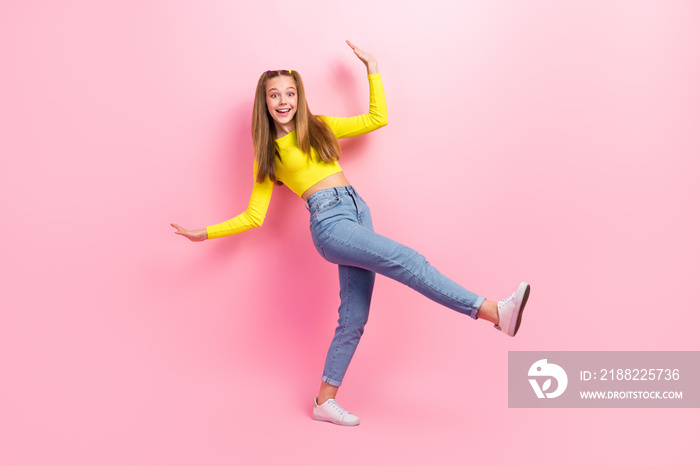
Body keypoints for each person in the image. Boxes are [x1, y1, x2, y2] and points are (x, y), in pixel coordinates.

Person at [171, 40, 530, 427]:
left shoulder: (319, 127)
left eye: (290, 93)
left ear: (298, 96)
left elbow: (376, 119)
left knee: (354, 317)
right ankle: (492, 310)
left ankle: (324, 402)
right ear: (265, 102)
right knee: (409, 261)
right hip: (330, 225)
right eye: (275, 95)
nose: (283, 100)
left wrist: (372, 68)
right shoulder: (270, 154)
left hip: (358, 211)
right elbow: (253, 216)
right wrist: (204, 234)